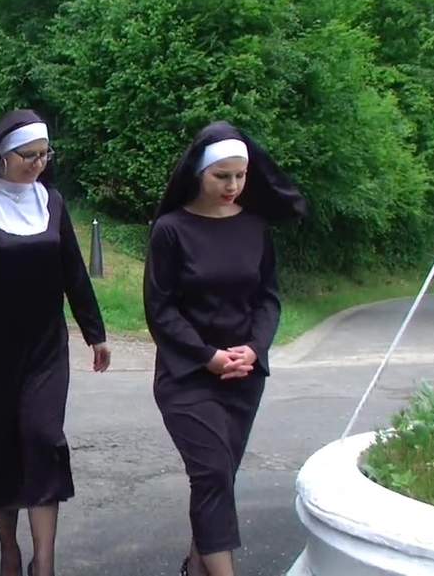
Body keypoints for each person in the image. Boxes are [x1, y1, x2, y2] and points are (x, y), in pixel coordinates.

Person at [0, 109, 111, 576]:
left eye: (44, 155)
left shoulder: (51, 202)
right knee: (0, 447)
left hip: (45, 347)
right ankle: (9, 550)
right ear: (3, 155)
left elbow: (73, 270)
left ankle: (46, 564)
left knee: (42, 438)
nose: (38, 163)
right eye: (28, 155)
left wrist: (95, 333)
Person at [144, 121, 306, 576]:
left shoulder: (255, 226)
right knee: (213, 473)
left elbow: (268, 298)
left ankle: (195, 567)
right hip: (187, 376)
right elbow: (160, 309)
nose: (233, 185)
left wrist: (254, 349)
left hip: (243, 377)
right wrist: (208, 357)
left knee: (217, 479)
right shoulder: (171, 230)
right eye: (222, 176)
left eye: (240, 175)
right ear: (199, 173)